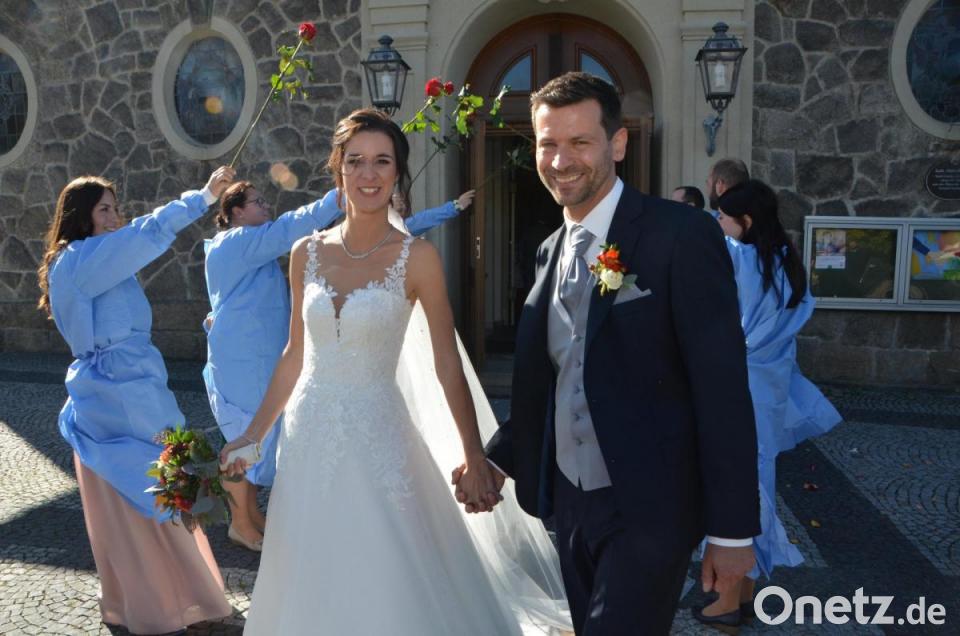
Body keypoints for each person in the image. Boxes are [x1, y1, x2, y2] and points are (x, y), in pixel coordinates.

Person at [220, 109, 572, 635]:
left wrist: (473, 453)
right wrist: (252, 435)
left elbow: (446, 361)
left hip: (380, 436)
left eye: (382, 161)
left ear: (398, 172)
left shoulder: (418, 257)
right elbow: (295, 354)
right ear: (338, 168)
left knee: (389, 574)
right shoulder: (304, 253)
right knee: (311, 572)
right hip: (309, 436)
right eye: (356, 161)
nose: (368, 174)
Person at [456, 72, 761, 635]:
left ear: (617, 144)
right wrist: (499, 460)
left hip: (652, 505)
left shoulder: (680, 235)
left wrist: (733, 530)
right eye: (548, 143)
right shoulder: (548, 251)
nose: (560, 160)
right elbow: (556, 378)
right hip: (568, 504)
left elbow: (722, 388)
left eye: (580, 142)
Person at [203, 180, 475, 551]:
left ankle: (252, 516)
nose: (266, 206)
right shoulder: (240, 242)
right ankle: (240, 523)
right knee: (243, 431)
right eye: (257, 202)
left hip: (264, 355)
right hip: (243, 359)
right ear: (236, 212)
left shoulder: (253, 248)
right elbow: (289, 228)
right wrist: (335, 198)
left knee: (258, 437)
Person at [37, 169, 236, 634]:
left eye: (115, 208)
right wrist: (203, 196)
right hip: (119, 398)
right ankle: (164, 605)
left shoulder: (90, 257)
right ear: (81, 217)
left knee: (160, 489)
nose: (115, 217)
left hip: (132, 389)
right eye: (104, 209)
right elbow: (148, 232)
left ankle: (181, 597)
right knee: (149, 494)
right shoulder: (83, 258)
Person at [696, 180, 842, 630]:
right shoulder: (785, 262)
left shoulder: (741, 259)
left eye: (723, 216)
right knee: (758, 484)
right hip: (770, 390)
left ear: (746, 221)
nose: (718, 223)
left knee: (734, 489)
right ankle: (744, 593)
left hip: (738, 390)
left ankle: (725, 600)